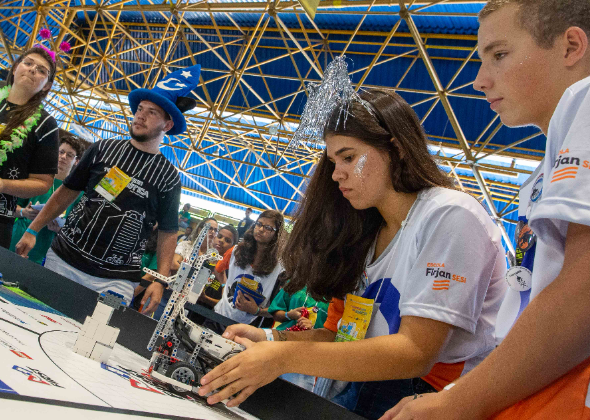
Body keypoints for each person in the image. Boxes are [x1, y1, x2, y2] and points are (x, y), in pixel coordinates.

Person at [196, 85, 507, 419]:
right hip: (360, 385)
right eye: (332, 161)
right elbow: (337, 334)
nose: (336, 173)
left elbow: (416, 351)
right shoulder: (363, 232)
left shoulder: (450, 215)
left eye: (349, 157)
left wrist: (279, 357)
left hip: (429, 398)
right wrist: (268, 337)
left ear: (397, 149)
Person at [382, 1, 590, 419]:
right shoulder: (543, 170)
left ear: (570, 47)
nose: (479, 81)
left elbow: (582, 293)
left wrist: (455, 403)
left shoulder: (584, 101)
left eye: (499, 54)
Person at [15, 64, 202, 314]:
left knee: (97, 340)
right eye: (140, 109)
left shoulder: (168, 178)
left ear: (167, 125)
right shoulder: (103, 149)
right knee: (35, 315)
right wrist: (33, 228)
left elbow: (168, 233)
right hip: (63, 261)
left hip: (118, 283)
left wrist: (160, 281)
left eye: (152, 112)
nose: (140, 116)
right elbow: (65, 193)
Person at [0, 45, 59, 248]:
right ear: (15, 68)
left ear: (46, 86)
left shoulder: (46, 125)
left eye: (42, 70)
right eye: (28, 63)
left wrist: (2, 184)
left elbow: (42, 183)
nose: (33, 69)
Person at [9, 131, 87, 264]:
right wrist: (24, 212)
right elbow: (10, 206)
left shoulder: (77, 194)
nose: (63, 157)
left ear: (77, 161)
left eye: (70, 155)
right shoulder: (38, 178)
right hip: (17, 236)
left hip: (44, 249)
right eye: (61, 152)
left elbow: (76, 230)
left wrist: (59, 229)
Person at [206, 210, 285, 333]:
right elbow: (218, 270)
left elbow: (277, 311)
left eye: (268, 227)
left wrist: (256, 310)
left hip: (248, 328)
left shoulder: (280, 268)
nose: (261, 229)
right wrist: (224, 286)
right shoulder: (235, 251)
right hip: (218, 316)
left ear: (277, 234)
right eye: (259, 224)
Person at [267, 282, 329, 391]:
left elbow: (334, 335)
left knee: (291, 398)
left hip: (304, 358)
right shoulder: (297, 281)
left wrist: (313, 331)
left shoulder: (337, 296)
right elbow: (275, 313)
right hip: (279, 346)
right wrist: (288, 315)